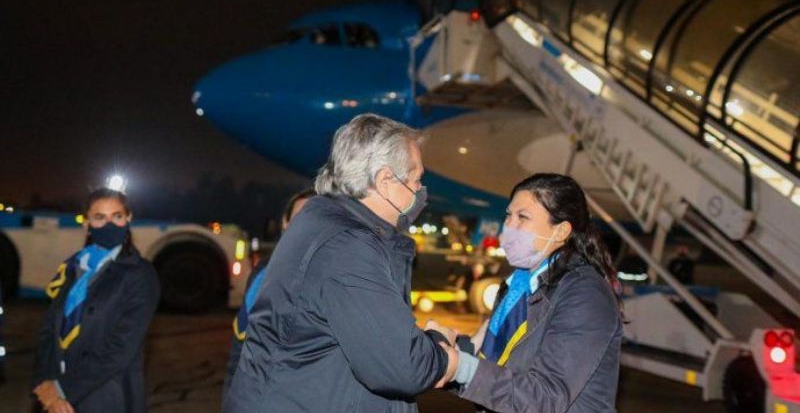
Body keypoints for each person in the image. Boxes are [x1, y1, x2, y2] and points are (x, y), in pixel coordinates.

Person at [223, 113, 456, 413]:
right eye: (416, 180)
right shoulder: (348, 246)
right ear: (385, 181)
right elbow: (401, 367)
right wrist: (441, 351)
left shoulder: (323, 221)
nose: (421, 191)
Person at [429, 173, 623, 413]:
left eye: (523, 217)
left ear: (561, 231)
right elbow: (501, 364)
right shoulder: (520, 284)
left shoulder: (585, 294)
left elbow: (546, 398)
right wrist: (453, 352)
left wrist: (461, 367)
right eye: (509, 215)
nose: (509, 226)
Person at [31, 188, 160, 413]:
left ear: (128, 219)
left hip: (105, 397)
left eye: (117, 216)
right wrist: (44, 381)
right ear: (86, 224)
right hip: (56, 395)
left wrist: (63, 394)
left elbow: (120, 349)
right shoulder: (73, 268)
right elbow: (49, 330)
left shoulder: (140, 274)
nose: (109, 225)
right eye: (100, 218)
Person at [224, 188, 315, 390]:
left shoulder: (341, 278)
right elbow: (240, 350)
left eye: (316, 218)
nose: (307, 226)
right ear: (285, 223)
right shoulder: (262, 275)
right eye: (300, 217)